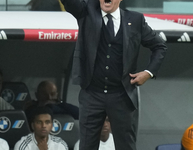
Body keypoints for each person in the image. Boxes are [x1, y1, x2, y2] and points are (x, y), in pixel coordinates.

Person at [61, 0, 167, 149]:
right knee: (86, 146)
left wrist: (148, 73)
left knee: (126, 146)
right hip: (92, 94)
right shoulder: (86, 11)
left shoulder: (135, 20)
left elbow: (159, 46)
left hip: (122, 95)